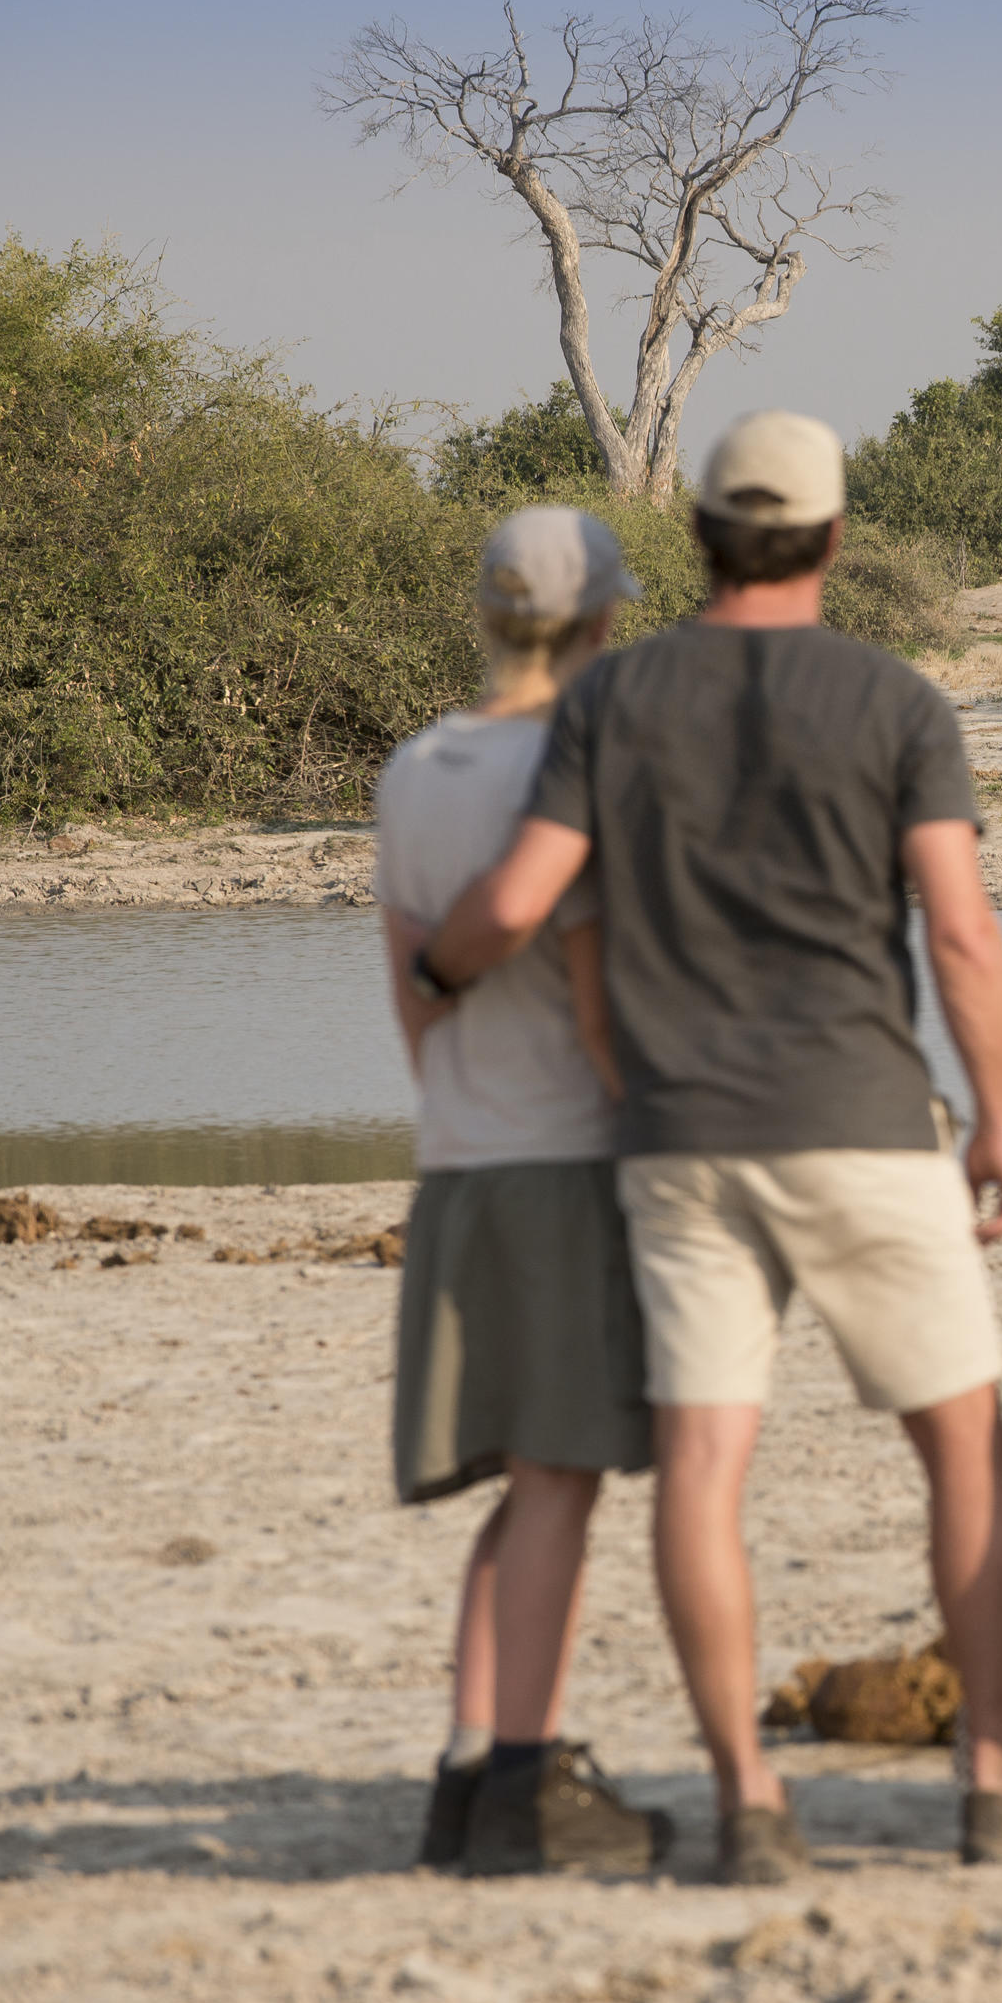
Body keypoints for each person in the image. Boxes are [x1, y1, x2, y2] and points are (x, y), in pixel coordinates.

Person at [415, 409, 1002, 1877]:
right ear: (836, 538)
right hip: (866, 1121)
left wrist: (435, 974)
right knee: (963, 1456)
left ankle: (749, 1803)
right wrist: (997, 1113)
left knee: (701, 1467)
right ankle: (996, 1783)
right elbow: (963, 931)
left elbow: (517, 898)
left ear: (700, 536)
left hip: (678, 1142)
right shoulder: (895, 700)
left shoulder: (613, 701)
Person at [377, 506, 667, 1877]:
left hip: (458, 1158)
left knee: (519, 1484)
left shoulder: (413, 768)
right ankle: (522, 1788)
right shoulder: (580, 767)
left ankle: (463, 1770)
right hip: (565, 1160)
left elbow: (413, 994)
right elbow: (605, 1014)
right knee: (558, 1485)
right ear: (605, 619)